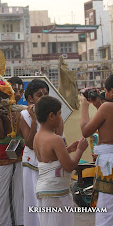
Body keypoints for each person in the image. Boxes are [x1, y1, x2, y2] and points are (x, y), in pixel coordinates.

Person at [34, 96, 88, 226]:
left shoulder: (38, 136)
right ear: (51, 116)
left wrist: (68, 150)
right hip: (55, 193)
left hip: (44, 190)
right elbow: (69, 166)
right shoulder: (55, 139)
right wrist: (80, 150)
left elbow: (50, 158)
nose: (61, 117)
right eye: (59, 113)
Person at [20, 78, 64, 226]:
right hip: (32, 164)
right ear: (30, 99)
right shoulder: (24, 116)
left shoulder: (54, 116)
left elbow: (58, 137)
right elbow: (30, 144)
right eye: (40, 95)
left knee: (50, 204)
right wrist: (34, 120)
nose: (44, 97)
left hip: (50, 164)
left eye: (46, 94)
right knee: (33, 201)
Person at [80, 74, 113, 226]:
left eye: (105, 91)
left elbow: (86, 131)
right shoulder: (106, 108)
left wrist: (84, 106)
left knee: (106, 209)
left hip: (109, 164)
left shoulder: (107, 107)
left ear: (111, 91)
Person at [0, 76, 24, 226]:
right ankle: (4, 223)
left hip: (20, 158)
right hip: (3, 158)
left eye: (20, 90)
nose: (17, 93)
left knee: (19, 194)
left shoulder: (22, 111)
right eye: (14, 89)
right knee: (4, 194)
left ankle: (20, 222)